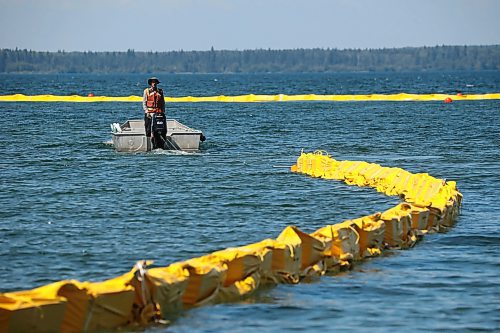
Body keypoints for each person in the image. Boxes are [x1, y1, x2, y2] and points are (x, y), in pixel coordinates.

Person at [143, 77, 166, 149]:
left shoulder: (160, 91)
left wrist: (163, 112)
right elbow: (144, 102)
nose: (154, 83)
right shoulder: (146, 91)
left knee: (161, 129)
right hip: (149, 113)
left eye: (155, 82)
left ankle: (161, 143)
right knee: (148, 129)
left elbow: (163, 103)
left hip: (159, 113)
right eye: (153, 82)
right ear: (150, 83)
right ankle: (148, 144)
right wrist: (146, 111)